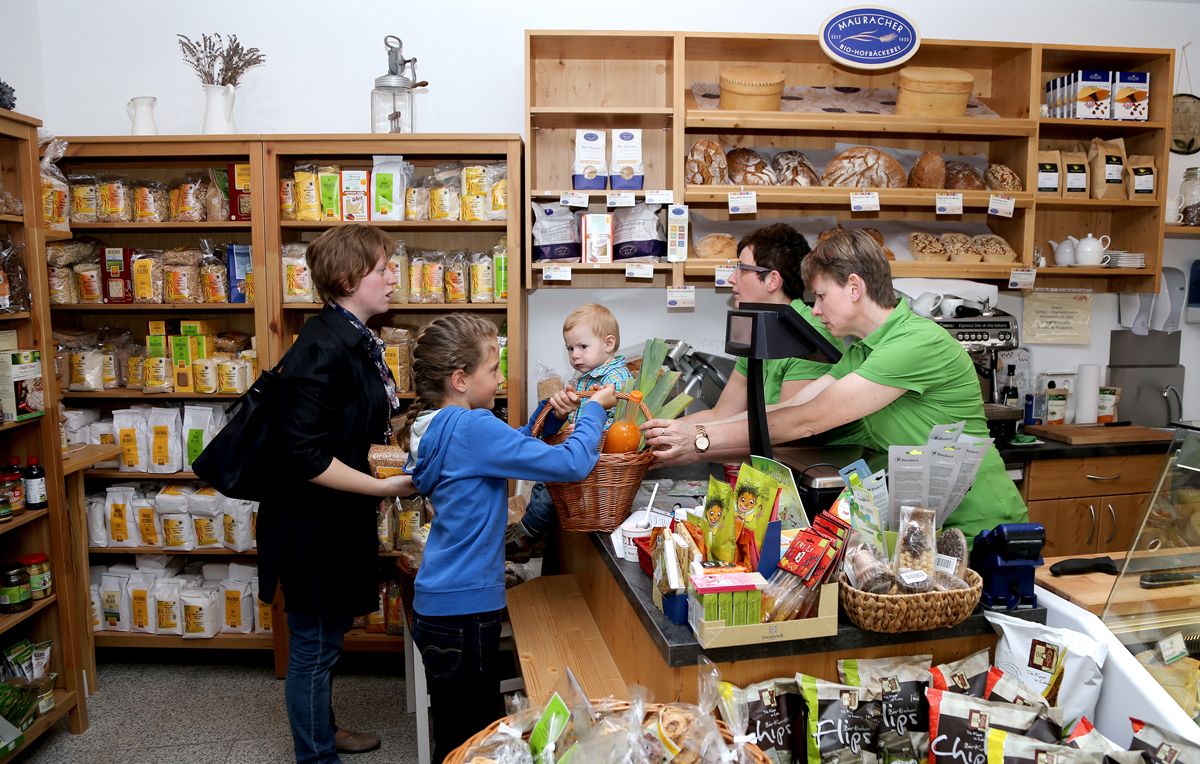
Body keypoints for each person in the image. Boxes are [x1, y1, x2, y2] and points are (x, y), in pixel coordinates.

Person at [643, 229, 1028, 542]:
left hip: (981, 526)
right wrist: (691, 431)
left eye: (822, 296)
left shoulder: (915, 343)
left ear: (855, 287)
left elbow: (810, 420)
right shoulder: (862, 351)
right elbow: (788, 410)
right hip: (926, 526)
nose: (814, 309)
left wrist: (699, 443)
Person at [400, 313, 617, 761]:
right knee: (474, 739)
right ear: (460, 379)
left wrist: (547, 416)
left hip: (440, 604)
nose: (499, 379)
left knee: (457, 726)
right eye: (493, 370)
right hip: (464, 612)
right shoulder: (473, 427)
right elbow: (573, 465)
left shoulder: (441, 425)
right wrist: (594, 411)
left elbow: (510, 443)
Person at [255, 224, 414, 763]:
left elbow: (357, 423)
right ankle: (316, 755)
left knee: (327, 639)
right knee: (313, 647)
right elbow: (300, 453)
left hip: (337, 517)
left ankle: (323, 727)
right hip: (310, 526)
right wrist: (380, 485)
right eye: (383, 270)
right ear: (349, 279)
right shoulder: (321, 348)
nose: (394, 278)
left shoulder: (353, 337)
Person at [681, 223, 862, 447]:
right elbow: (721, 415)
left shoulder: (808, 334)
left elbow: (785, 432)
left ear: (772, 280)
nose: (731, 279)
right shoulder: (759, 328)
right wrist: (662, 432)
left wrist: (692, 442)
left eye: (742, 269)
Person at [507, 303, 633, 555]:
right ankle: (531, 529)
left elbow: (622, 423)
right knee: (547, 482)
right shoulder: (586, 376)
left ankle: (530, 533)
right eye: (570, 348)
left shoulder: (615, 379)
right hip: (584, 449)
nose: (574, 355)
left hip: (601, 454)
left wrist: (591, 425)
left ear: (608, 344)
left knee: (550, 488)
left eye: (582, 347)